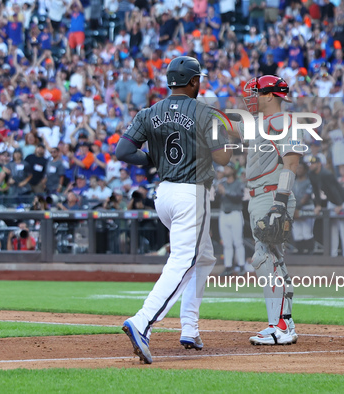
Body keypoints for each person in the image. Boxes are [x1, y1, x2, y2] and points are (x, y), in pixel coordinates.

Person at [115, 56, 230, 363]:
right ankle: (142, 322)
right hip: (191, 193)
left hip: (164, 193)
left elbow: (123, 151)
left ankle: (189, 327)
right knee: (183, 260)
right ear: (194, 82)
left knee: (203, 256)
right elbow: (222, 159)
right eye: (199, 79)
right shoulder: (205, 112)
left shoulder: (149, 111)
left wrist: (151, 160)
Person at [227, 75, 299, 345]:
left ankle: (277, 326)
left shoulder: (284, 122)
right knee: (275, 259)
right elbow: (233, 127)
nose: (251, 97)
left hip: (272, 195)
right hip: (259, 196)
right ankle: (286, 322)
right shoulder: (260, 124)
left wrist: (280, 203)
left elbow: (291, 164)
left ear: (270, 96)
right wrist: (203, 111)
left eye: (256, 92)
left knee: (263, 257)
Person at [309, 155, 344, 257]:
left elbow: (334, 189)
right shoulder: (311, 174)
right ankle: (333, 255)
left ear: (319, 164)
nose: (312, 165)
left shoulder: (326, 174)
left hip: (343, 200)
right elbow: (316, 190)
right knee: (332, 229)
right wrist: (318, 205)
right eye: (311, 163)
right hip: (331, 201)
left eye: (314, 163)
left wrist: (340, 205)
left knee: (343, 229)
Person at [216, 164, 246, 276]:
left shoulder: (238, 183)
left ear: (233, 170)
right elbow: (216, 199)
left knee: (238, 241)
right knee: (226, 243)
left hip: (235, 213)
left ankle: (242, 265)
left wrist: (225, 192)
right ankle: (228, 266)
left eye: (228, 168)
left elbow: (239, 197)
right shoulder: (222, 183)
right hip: (224, 213)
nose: (226, 170)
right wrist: (218, 192)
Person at [292, 161, 315, 255]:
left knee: (307, 231)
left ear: (305, 170)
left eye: (300, 168)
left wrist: (296, 208)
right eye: (297, 168)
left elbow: (306, 196)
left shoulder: (309, 181)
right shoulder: (293, 182)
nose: (298, 170)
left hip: (306, 207)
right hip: (295, 208)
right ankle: (300, 253)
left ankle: (310, 253)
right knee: (297, 232)